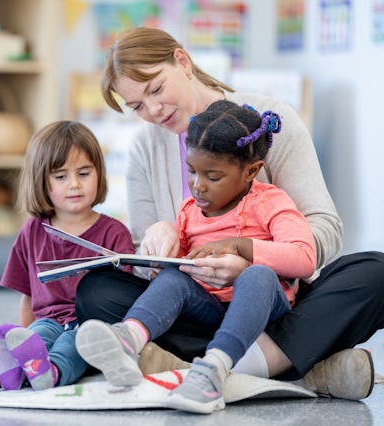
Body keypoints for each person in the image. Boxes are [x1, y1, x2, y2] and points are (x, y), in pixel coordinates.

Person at [74, 27, 384, 401]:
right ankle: (293, 367)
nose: (153, 111)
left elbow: (323, 230)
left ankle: (213, 371)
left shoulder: (267, 121)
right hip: (199, 303)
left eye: (156, 90)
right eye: (136, 106)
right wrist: (158, 242)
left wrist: (250, 259)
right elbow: (145, 266)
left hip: (275, 298)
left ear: (182, 62)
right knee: (96, 292)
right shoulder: (144, 150)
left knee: (378, 273)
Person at [76, 100, 316, 414]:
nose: (198, 186)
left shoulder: (270, 202)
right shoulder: (190, 211)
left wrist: (241, 245)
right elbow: (182, 271)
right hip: (210, 311)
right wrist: (161, 263)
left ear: (251, 171)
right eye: (191, 171)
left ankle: (214, 369)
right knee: (173, 278)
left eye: (213, 177)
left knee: (256, 275)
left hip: (265, 313)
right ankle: (128, 340)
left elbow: (304, 258)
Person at [0, 121, 134, 391]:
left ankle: (52, 373)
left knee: (72, 346)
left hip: (89, 327)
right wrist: (25, 338)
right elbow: (28, 299)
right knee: (40, 335)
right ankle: (16, 366)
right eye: (61, 176)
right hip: (47, 321)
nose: (75, 184)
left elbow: (121, 304)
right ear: (41, 181)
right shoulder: (32, 229)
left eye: (84, 173)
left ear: (99, 174)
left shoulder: (116, 233)